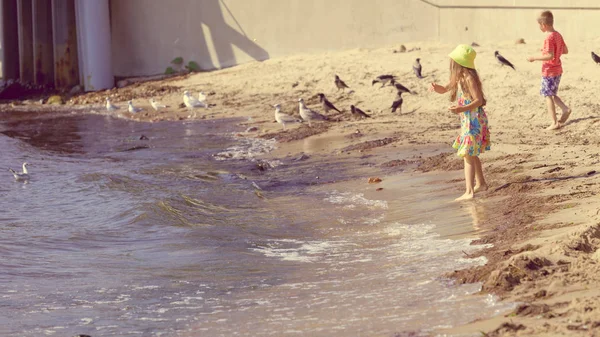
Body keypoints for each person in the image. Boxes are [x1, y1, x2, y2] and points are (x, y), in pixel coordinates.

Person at [430, 44, 491, 201]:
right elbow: (445, 88)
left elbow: (478, 101)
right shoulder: (459, 77)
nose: (451, 64)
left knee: (467, 154)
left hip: (474, 120)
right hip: (467, 119)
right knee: (472, 153)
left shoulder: (469, 78)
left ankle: (469, 191)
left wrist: (461, 108)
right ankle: (481, 184)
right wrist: (436, 87)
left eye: (453, 61)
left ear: (459, 62)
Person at [527, 10, 571, 130]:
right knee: (552, 93)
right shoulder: (558, 35)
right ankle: (565, 109)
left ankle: (554, 122)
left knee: (547, 96)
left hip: (549, 71)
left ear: (543, 25)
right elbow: (565, 50)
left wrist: (534, 57)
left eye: (539, 25)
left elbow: (549, 56)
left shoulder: (548, 37)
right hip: (558, 70)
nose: (539, 27)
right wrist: (557, 52)